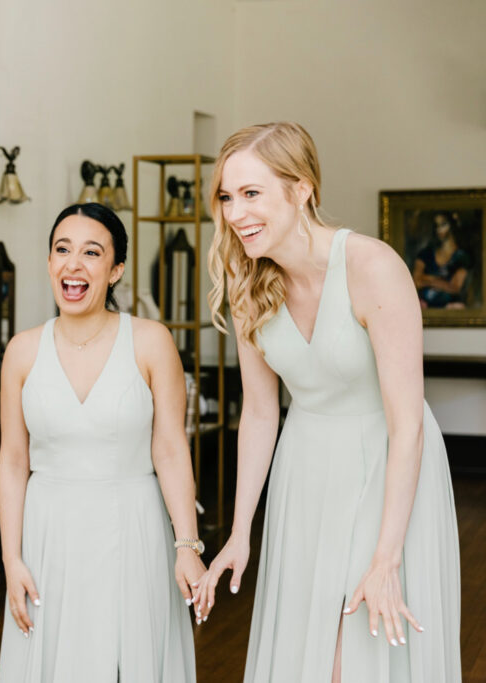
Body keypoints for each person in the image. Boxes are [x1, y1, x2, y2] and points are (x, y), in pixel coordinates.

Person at [195, 122, 460, 682]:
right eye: (226, 196)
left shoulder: (373, 267)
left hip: (386, 464)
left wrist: (388, 555)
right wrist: (241, 531)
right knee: (310, 652)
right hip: (306, 470)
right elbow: (263, 414)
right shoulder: (246, 282)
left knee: (358, 653)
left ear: (302, 189)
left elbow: (407, 423)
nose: (235, 213)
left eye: (251, 194)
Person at [0, 203, 201, 683]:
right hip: (48, 534)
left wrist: (187, 544)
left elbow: (170, 448)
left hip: (132, 528)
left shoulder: (151, 341)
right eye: (62, 250)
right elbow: (13, 459)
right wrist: (11, 558)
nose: (74, 264)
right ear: (49, 263)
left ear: (115, 270)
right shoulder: (22, 351)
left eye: (92, 253)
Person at [413, 212, 472, 309]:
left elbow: (455, 287)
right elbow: (416, 282)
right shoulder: (425, 253)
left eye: (443, 224)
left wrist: (428, 279)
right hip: (424, 307)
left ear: (452, 225)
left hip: (451, 308)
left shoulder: (462, 257)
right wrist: (441, 282)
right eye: (436, 226)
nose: (439, 230)